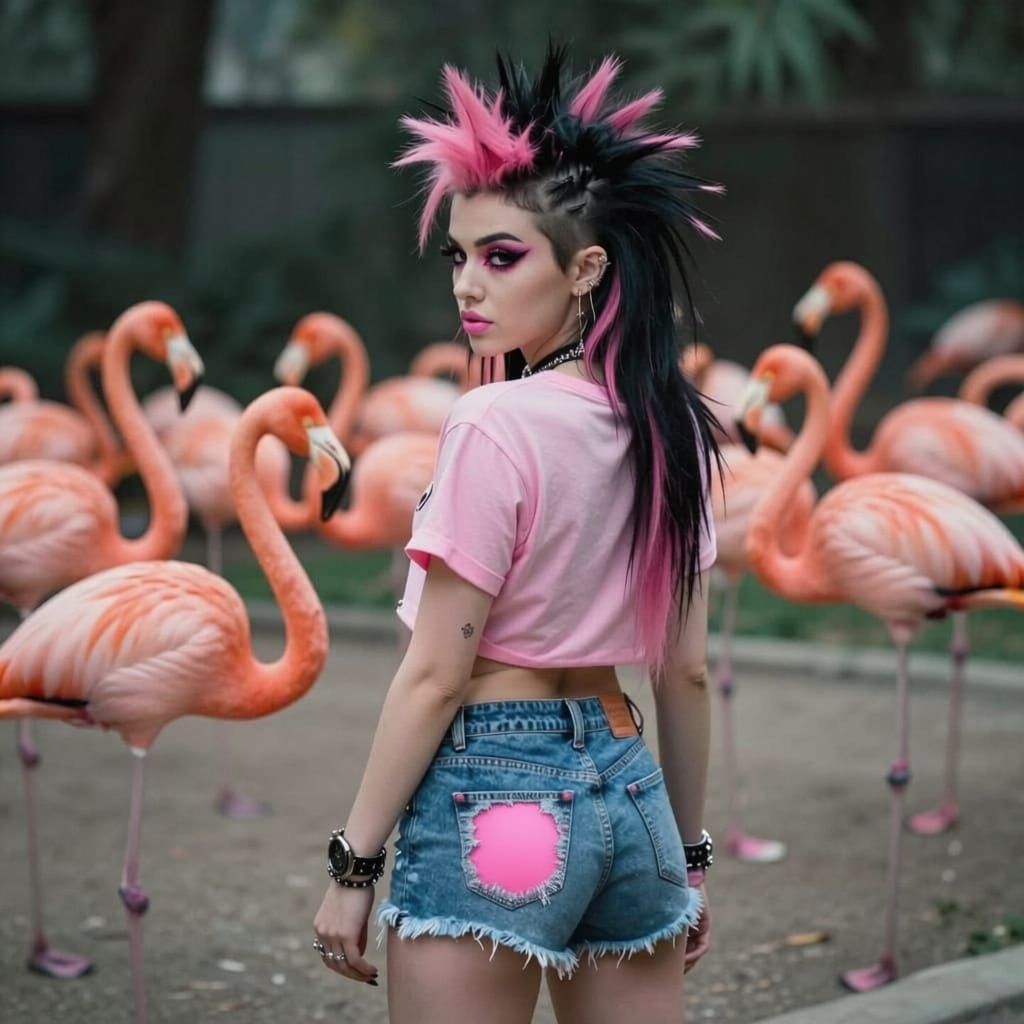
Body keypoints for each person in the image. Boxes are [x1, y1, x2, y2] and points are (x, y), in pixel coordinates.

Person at [313, 45, 722, 1024]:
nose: (470, 286)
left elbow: (435, 673)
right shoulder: (672, 422)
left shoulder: (493, 423)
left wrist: (353, 862)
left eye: (502, 257)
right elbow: (688, 672)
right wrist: (689, 852)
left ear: (586, 268)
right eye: (459, 256)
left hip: (499, 795)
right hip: (634, 800)